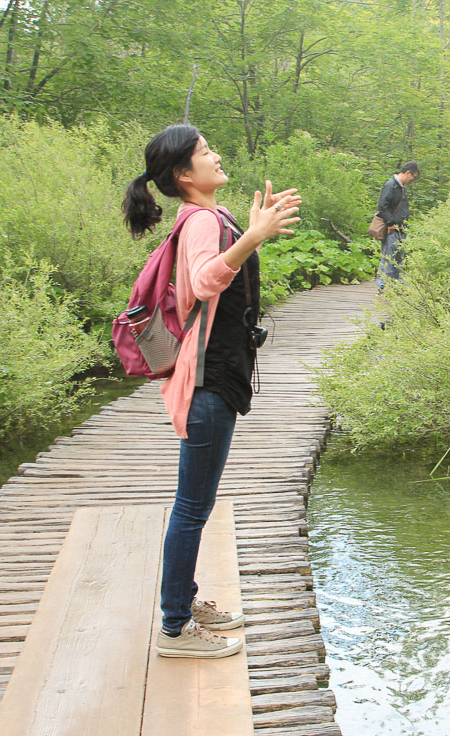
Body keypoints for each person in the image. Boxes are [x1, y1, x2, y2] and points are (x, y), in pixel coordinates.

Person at [121, 123, 301, 659]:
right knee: (191, 509)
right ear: (183, 174)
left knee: (194, 506)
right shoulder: (201, 221)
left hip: (215, 377)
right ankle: (174, 629)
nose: (216, 155)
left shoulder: (208, 216)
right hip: (206, 382)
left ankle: (184, 599)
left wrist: (250, 228)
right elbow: (202, 282)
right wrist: (254, 236)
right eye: (205, 152)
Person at [375, 160, 419, 293]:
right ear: (407, 173)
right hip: (392, 229)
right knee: (388, 257)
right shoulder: (391, 186)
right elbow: (382, 207)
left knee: (398, 257)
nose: (413, 180)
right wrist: (390, 223)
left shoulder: (400, 187)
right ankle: (383, 286)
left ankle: (395, 286)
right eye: (413, 177)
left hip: (400, 229)